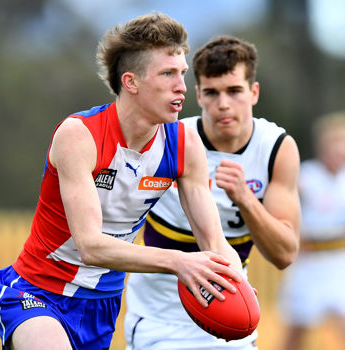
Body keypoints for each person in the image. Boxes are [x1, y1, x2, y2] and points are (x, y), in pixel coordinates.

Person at [0, 13, 244, 350]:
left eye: (182, 73)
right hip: (37, 291)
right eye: (168, 74)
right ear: (131, 82)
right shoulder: (79, 135)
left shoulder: (185, 144)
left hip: (102, 305)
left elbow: (215, 242)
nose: (182, 87)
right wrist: (176, 261)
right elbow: (90, 246)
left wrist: (235, 280)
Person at [124, 35, 301, 350]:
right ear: (198, 95)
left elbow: (285, 253)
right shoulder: (171, 139)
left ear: (253, 92)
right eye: (212, 92)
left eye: (234, 91)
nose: (223, 104)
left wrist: (246, 200)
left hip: (231, 316)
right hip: (159, 321)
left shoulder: (276, 148)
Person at [278, 112, 345, 350]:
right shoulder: (305, 176)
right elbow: (282, 208)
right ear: (322, 146)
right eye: (333, 144)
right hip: (309, 260)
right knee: (296, 329)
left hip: (339, 261)